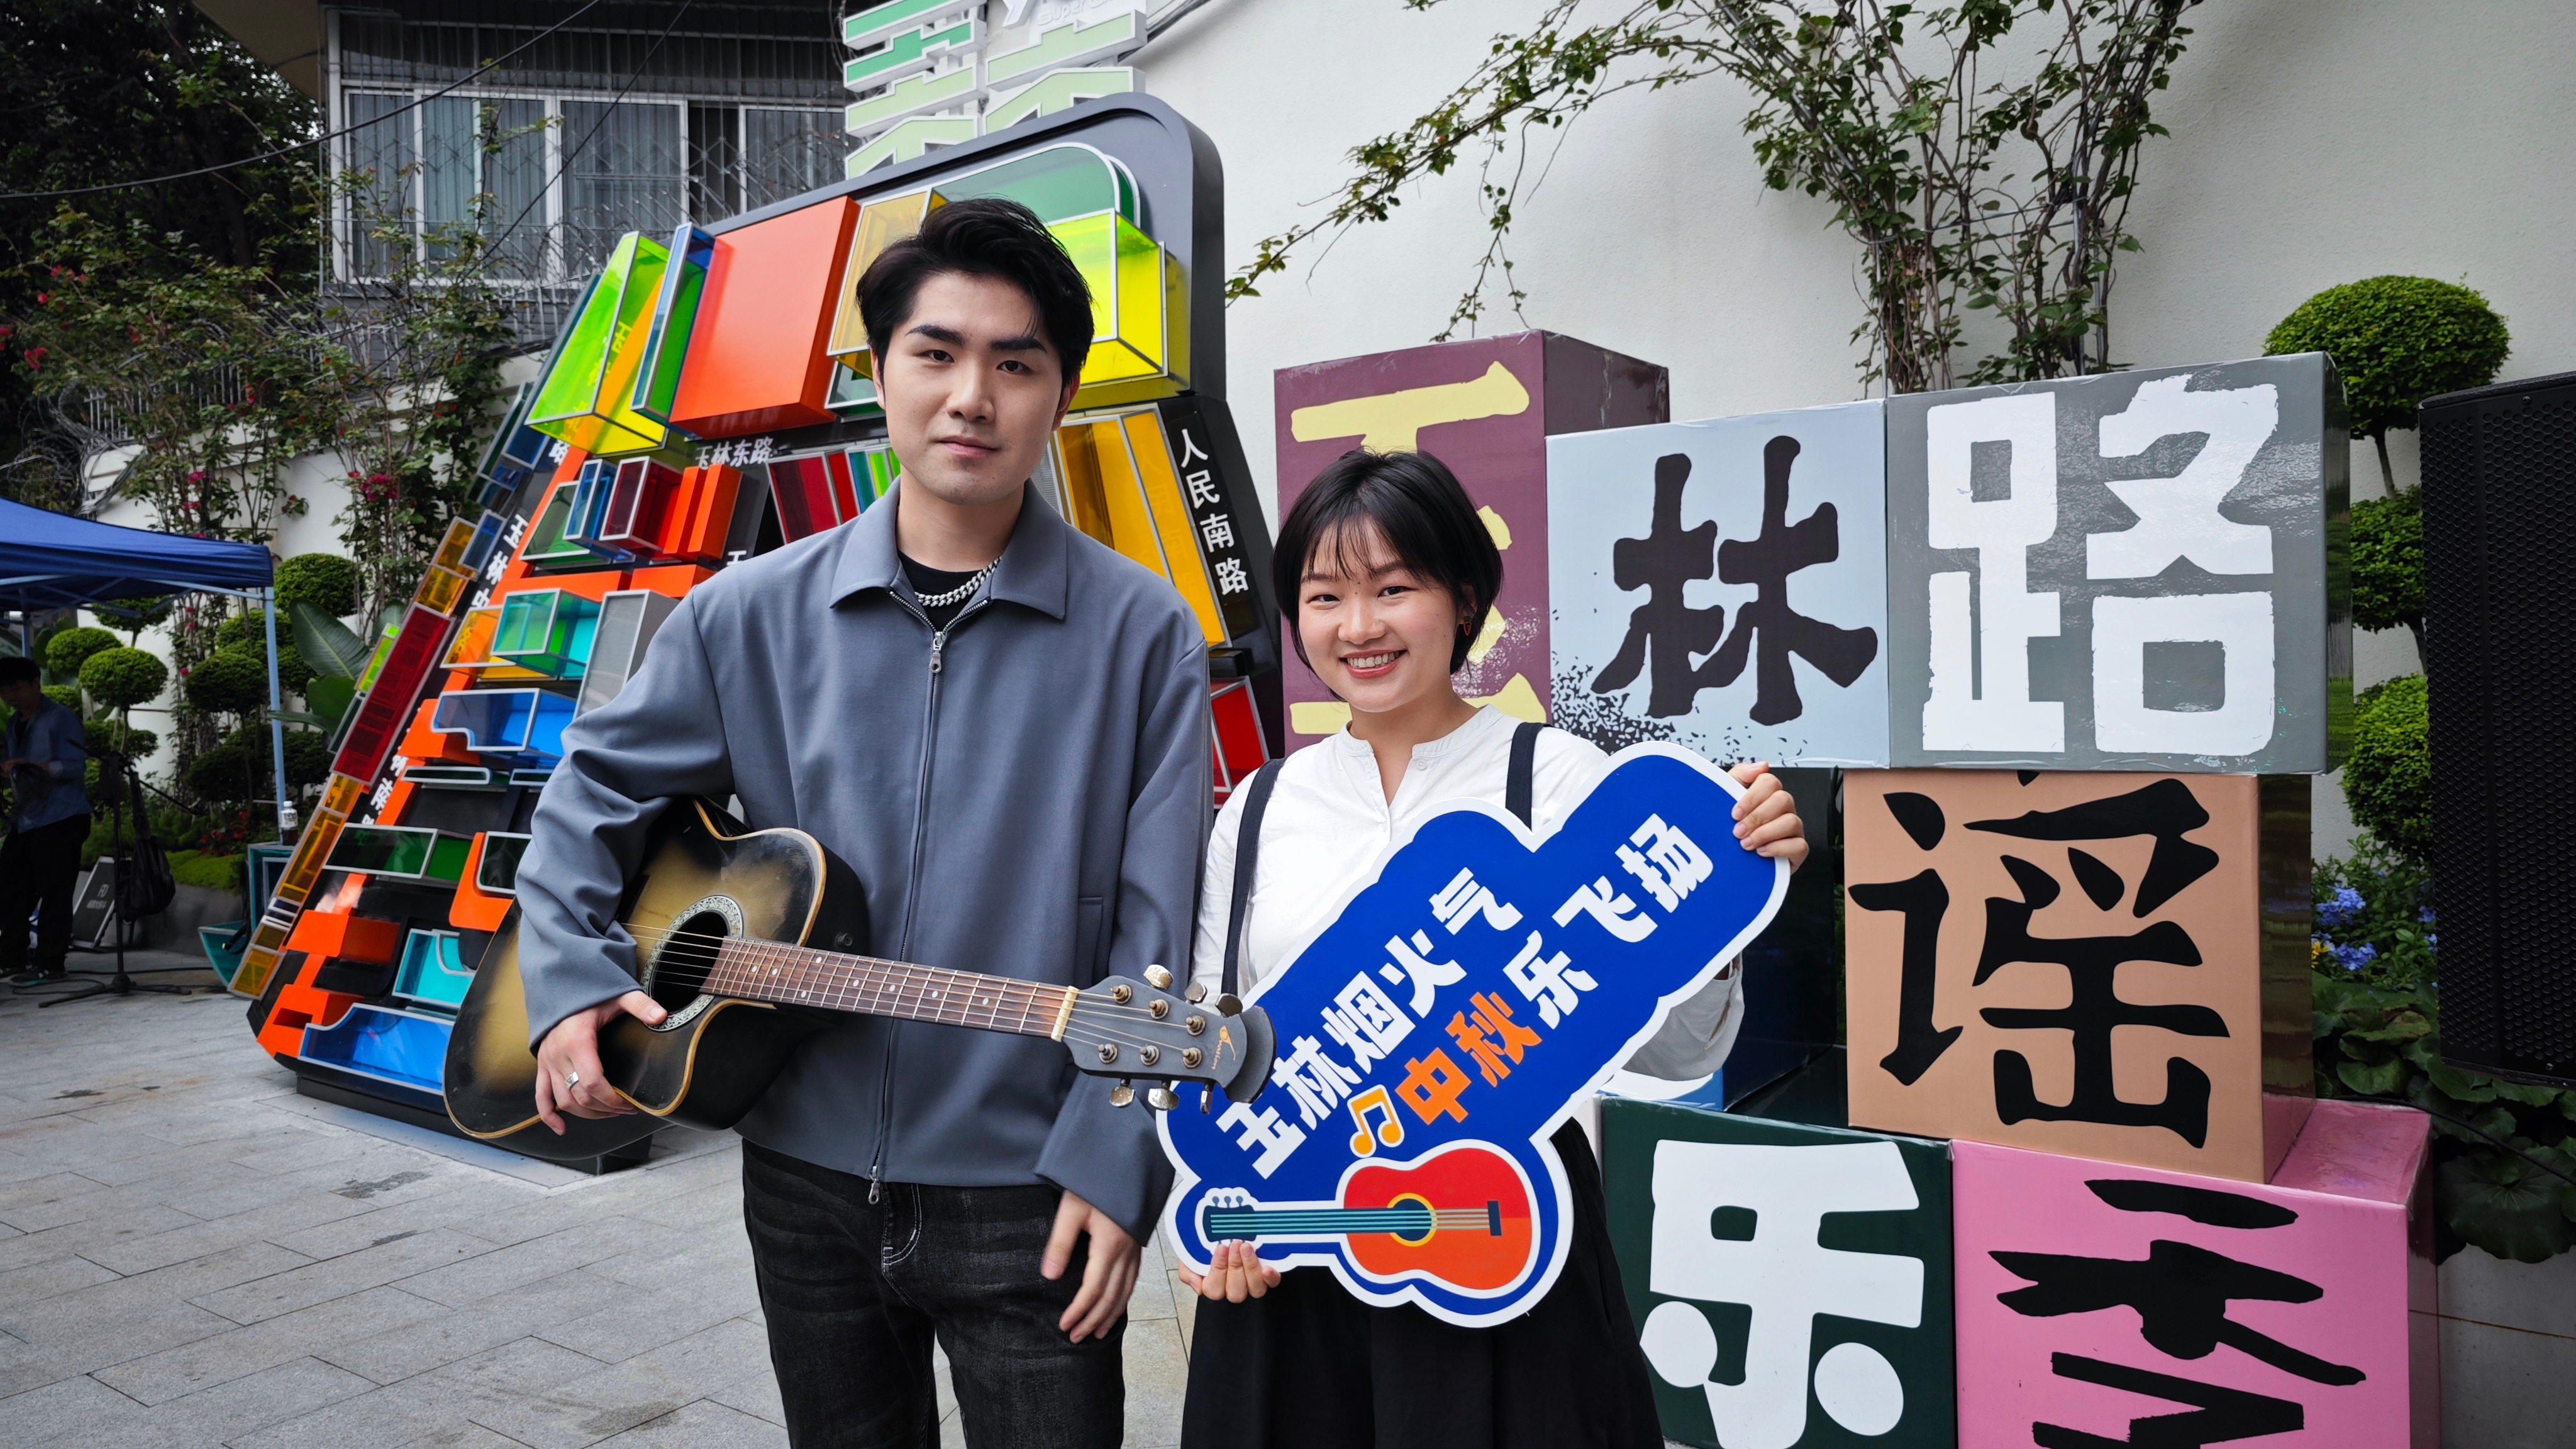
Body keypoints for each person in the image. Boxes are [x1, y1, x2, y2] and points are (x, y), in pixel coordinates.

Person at [512, 198, 1210, 1449]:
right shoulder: (747, 614)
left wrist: (1116, 1151)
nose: (971, 397)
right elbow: (594, 786)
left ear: (1060, 395)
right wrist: (568, 975)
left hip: (1030, 1191)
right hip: (803, 1183)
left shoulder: (1140, 632)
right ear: (877, 375)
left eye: (1016, 364)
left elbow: (1159, 928)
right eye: (935, 353)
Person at [1175, 450, 1809, 1449]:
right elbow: (1214, 1046)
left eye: (1394, 589)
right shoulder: (1258, 807)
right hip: (1298, 1243)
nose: (1359, 627)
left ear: (1464, 597)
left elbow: (1679, 1052)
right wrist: (1211, 1215)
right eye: (1326, 596)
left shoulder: (1559, 782)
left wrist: (1719, 914)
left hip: (1502, 1234)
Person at [0, 657, 94, 987]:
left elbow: (76, 766)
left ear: (35, 683)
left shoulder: (61, 718)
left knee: (55, 892)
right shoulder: (14, 724)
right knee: (10, 887)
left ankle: (51, 963)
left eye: (15, 688)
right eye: (3, 691)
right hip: (27, 819)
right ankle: (11, 957)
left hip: (61, 817)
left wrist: (36, 766)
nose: (9, 696)